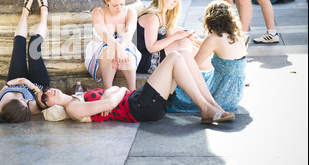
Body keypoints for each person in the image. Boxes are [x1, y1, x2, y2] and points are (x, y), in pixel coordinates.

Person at [42, 49, 235, 124]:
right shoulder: (73, 108)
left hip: (138, 100)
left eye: (44, 91)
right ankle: (205, 109)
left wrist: (117, 92)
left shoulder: (78, 99)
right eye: (45, 98)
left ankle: (213, 106)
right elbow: (109, 102)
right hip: (139, 107)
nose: (47, 92)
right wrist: (119, 91)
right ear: (51, 107)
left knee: (183, 54)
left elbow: (113, 96)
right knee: (174, 57)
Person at [0, 0, 52, 123]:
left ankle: (25, 13)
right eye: (26, 102)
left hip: (14, 82)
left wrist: (9, 84)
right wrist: (28, 84)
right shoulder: (30, 108)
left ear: (8, 102)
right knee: (34, 45)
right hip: (36, 84)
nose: (26, 100)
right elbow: (42, 98)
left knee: (18, 45)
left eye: (23, 101)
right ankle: (44, 12)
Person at [170, 0, 247, 112]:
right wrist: (199, 42)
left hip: (220, 93)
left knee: (181, 85)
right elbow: (222, 50)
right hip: (234, 95)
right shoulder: (236, 37)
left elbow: (193, 67)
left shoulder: (213, 39)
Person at [84, 0, 141, 91]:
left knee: (128, 54)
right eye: (115, 5)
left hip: (123, 59)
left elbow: (129, 32)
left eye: (122, 4)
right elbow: (103, 33)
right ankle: (108, 91)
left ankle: (133, 92)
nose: (119, 8)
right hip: (102, 61)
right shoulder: (98, 12)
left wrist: (121, 49)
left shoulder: (130, 12)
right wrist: (118, 48)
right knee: (109, 51)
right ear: (106, 1)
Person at [136, 0, 201, 74]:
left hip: (156, 53)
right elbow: (151, 47)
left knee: (194, 48)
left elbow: (168, 36)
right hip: (146, 59)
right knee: (185, 44)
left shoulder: (165, 13)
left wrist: (184, 35)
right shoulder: (153, 17)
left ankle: (205, 80)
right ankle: (185, 76)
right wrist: (177, 36)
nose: (176, 1)